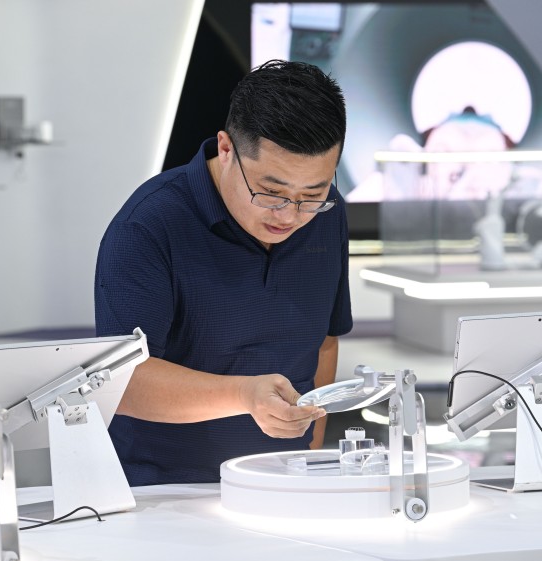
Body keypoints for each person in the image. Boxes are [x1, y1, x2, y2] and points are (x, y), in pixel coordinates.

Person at [94, 59, 351, 486]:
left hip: (286, 481)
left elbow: (324, 341)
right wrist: (244, 395)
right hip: (164, 489)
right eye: (270, 193)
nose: (289, 215)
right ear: (226, 149)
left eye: (313, 193)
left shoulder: (327, 215)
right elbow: (123, 381)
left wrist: (309, 450)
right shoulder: (149, 225)